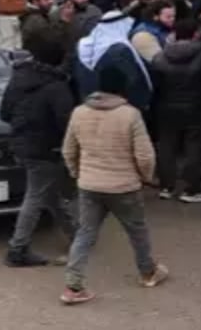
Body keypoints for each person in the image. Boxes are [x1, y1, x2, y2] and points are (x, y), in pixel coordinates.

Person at [60, 63, 168, 305]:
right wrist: (146, 176)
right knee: (137, 231)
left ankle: (72, 286)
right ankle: (148, 272)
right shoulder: (130, 115)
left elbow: (69, 150)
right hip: (124, 186)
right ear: (123, 88)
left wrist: (78, 173)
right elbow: (145, 155)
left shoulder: (79, 112)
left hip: (89, 185)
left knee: (85, 234)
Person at [0, 24, 77, 267]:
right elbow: (68, 122)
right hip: (46, 149)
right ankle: (17, 248)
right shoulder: (57, 86)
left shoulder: (18, 77)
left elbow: (4, 113)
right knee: (36, 196)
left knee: (46, 191)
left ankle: (77, 234)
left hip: (21, 145)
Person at [150, 19, 201, 203]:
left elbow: (156, 86)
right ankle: (191, 188)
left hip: (166, 108)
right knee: (194, 147)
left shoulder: (160, 57)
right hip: (195, 108)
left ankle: (167, 186)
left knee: (167, 146)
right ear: (195, 34)